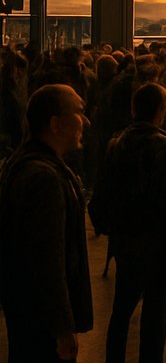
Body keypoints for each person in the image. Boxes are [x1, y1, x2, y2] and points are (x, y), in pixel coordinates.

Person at [93, 82, 166, 363]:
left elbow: (103, 190)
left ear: (134, 109)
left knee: (120, 311)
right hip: (157, 245)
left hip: (125, 240)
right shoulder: (165, 147)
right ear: (161, 110)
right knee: (155, 317)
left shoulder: (117, 142)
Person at [0, 83, 93, 362]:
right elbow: (49, 260)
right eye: (78, 112)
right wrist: (63, 327)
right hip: (42, 322)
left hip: (24, 312)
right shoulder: (45, 179)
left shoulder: (22, 163)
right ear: (55, 124)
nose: (86, 121)